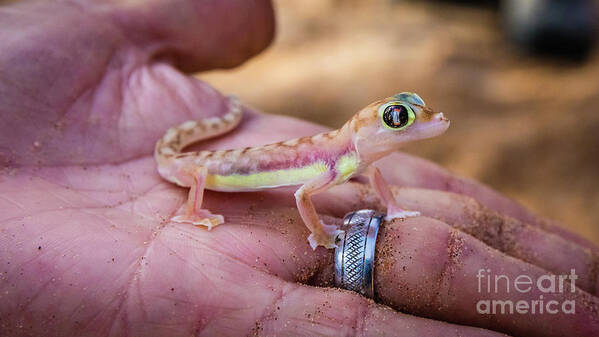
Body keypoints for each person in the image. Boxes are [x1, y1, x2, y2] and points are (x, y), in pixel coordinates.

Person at [0, 1, 597, 336]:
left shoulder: (358, 157)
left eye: (407, 114)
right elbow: (301, 200)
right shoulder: (329, 166)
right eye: (396, 118)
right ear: (365, 128)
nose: (411, 124)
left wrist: (393, 207)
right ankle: (193, 211)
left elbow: (375, 175)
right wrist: (315, 235)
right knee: (194, 168)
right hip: (202, 174)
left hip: (251, 158)